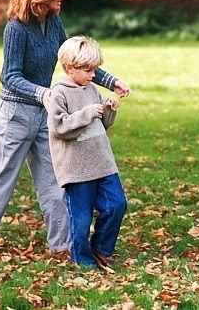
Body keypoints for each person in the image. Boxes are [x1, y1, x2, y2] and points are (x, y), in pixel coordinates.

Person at [0, 0, 131, 258]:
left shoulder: (52, 22)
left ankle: (62, 245)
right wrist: (42, 93)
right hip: (15, 114)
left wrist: (111, 81)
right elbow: (9, 77)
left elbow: (73, 59)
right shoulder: (16, 28)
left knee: (56, 180)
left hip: (45, 113)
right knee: (2, 180)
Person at [47, 36, 127, 270]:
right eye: (88, 70)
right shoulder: (59, 93)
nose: (93, 75)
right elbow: (60, 128)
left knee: (116, 205)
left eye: (94, 69)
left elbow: (102, 124)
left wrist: (109, 111)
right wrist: (87, 113)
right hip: (76, 167)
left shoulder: (91, 89)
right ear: (69, 68)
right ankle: (82, 259)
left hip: (102, 162)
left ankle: (101, 248)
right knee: (81, 219)